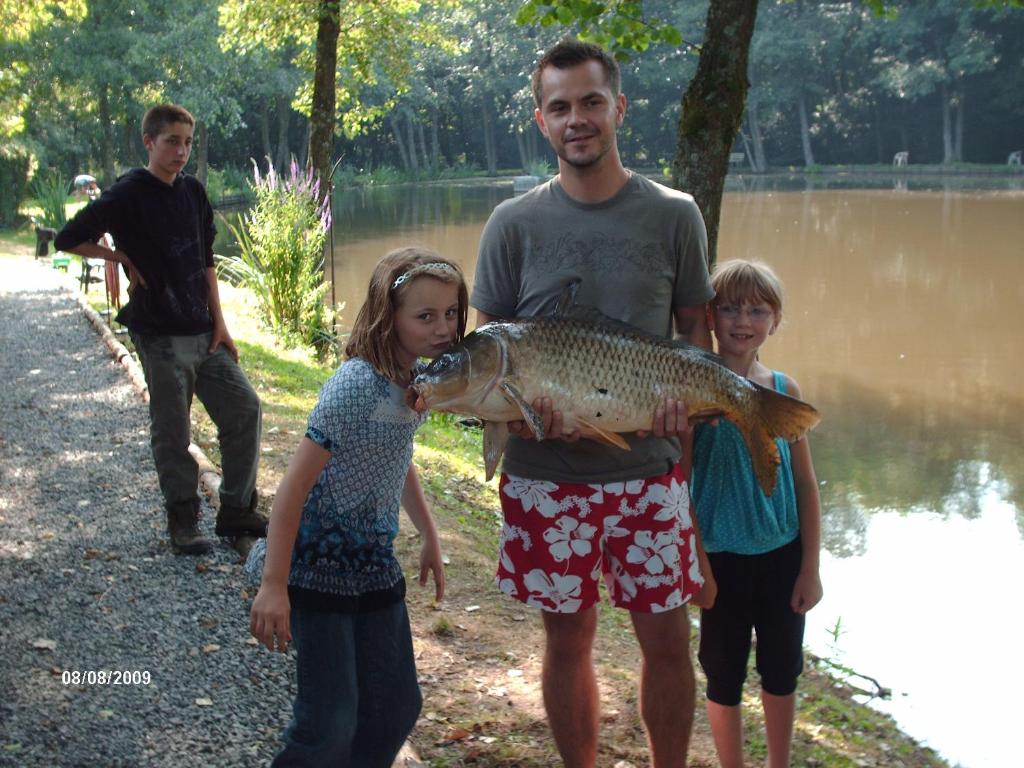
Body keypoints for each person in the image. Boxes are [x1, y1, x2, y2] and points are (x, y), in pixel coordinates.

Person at [470, 38, 715, 768]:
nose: (576, 118)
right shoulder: (512, 223)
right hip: (546, 475)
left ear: (618, 108)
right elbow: (488, 357)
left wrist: (687, 416)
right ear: (542, 121)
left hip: (649, 469)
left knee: (669, 640)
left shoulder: (675, 214)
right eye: (559, 106)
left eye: (590, 102)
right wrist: (515, 413)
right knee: (566, 637)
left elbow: (692, 339)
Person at [247, 247, 465, 766]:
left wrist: (430, 534)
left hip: (371, 568)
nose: (444, 328)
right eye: (425, 316)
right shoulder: (354, 386)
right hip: (316, 570)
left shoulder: (415, 385)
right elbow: (293, 489)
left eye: (452, 313)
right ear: (388, 316)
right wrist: (274, 584)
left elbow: (396, 457)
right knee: (329, 722)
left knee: (395, 706)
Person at [55, 103, 265, 554]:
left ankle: (236, 510)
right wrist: (121, 258)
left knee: (244, 408)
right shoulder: (127, 193)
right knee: (173, 431)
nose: (181, 151)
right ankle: (184, 519)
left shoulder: (192, 192)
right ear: (149, 142)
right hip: (160, 334)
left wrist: (222, 323)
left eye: (188, 142)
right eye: (172, 141)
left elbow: (206, 261)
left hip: (205, 331)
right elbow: (68, 238)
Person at [688, 260, 823, 768]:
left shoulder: (784, 391)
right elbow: (679, 483)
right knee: (723, 675)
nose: (742, 320)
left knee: (782, 669)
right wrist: (696, 563)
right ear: (710, 316)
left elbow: (805, 484)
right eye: (729, 308)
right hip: (720, 558)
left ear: (776, 319)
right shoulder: (693, 386)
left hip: (782, 555)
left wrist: (810, 566)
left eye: (756, 309)